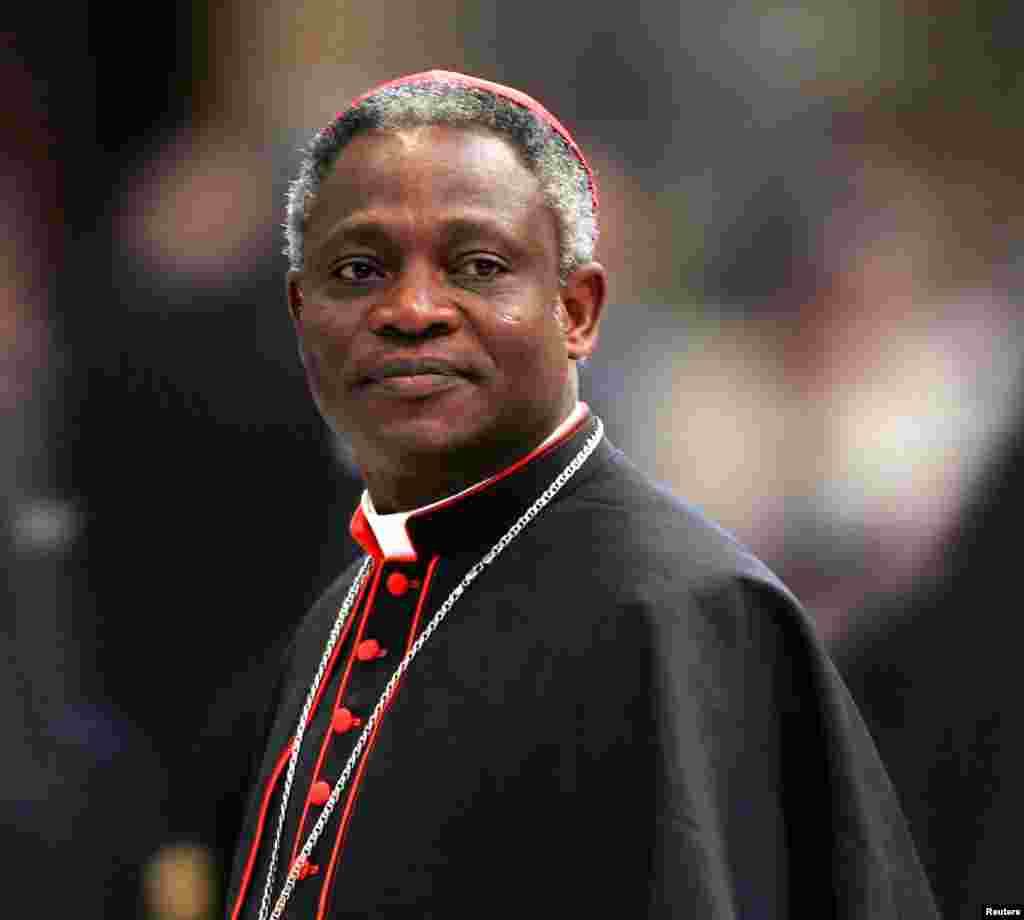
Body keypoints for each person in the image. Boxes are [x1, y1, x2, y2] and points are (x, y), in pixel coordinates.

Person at [224, 70, 937, 919]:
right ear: (303, 313)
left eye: (478, 264)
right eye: (360, 268)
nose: (411, 309)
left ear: (577, 311)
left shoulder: (683, 616)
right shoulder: (340, 617)